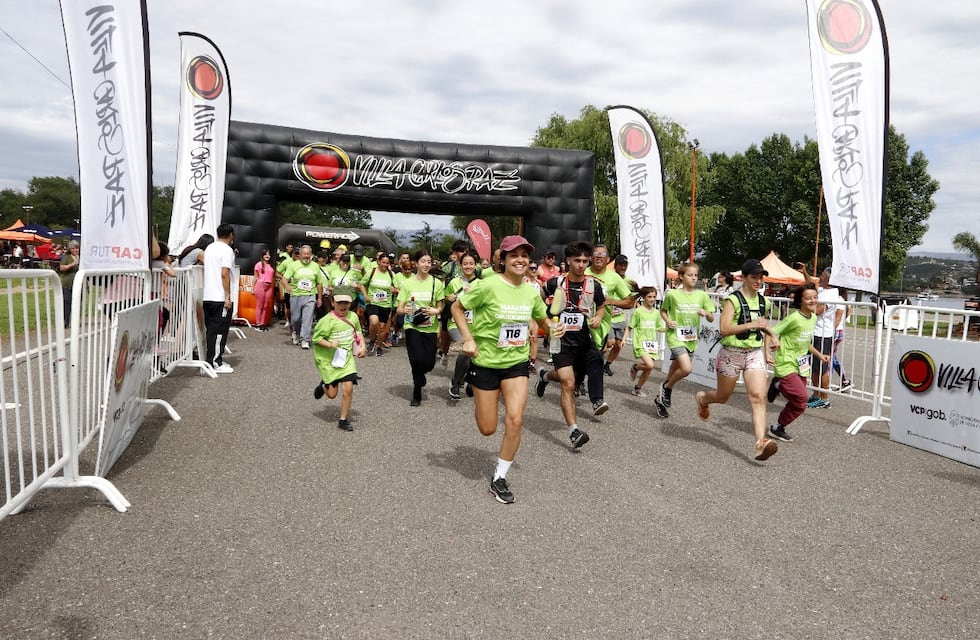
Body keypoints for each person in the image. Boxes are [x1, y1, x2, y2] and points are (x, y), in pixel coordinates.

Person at [451, 235, 555, 504]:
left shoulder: (532, 291)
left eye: (524, 254)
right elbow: (457, 308)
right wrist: (469, 339)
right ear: (503, 260)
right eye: (514, 255)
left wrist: (553, 327)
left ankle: (499, 478)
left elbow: (542, 317)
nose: (520, 259)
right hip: (486, 363)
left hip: (516, 363)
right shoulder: (488, 286)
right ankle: (470, 384)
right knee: (487, 428)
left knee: (515, 419)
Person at [694, 258, 777, 461]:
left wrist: (770, 342)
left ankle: (760, 443)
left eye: (761, 278)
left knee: (758, 397)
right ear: (744, 278)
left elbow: (763, 326)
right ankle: (703, 399)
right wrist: (751, 325)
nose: (758, 281)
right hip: (731, 353)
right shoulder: (733, 300)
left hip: (754, 354)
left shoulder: (764, 301)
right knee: (723, 397)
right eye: (754, 277)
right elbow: (724, 328)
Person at [536, 240, 608, 449]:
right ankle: (574, 430)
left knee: (595, 361)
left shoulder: (593, 285)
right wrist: (547, 318)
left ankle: (544, 376)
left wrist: (598, 317)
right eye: (577, 260)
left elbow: (601, 307)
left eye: (585, 261)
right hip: (561, 342)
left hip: (584, 340)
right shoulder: (554, 283)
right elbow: (538, 301)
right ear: (568, 260)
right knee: (568, 382)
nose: (581, 264)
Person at [764, 283, 831, 442]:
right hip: (786, 363)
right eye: (808, 298)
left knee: (798, 402)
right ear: (800, 301)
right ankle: (778, 385)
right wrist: (767, 352)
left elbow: (805, 342)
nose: (813, 301)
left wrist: (820, 355)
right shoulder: (793, 318)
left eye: (815, 297)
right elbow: (770, 332)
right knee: (802, 398)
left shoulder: (813, 317)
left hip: (801, 365)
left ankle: (778, 427)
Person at [656, 262, 715, 418]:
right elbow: (663, 311)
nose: (694, 278)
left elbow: (711, 317)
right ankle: (667, 388)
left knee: (674, 370)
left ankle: (660, 399)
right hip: (675, 336)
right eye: (690, 275)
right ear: (681, 276)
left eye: (696, 275)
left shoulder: (701, 295)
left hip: (690, 338)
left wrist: (705, 313)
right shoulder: (673, 295)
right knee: (686, 369)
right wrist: (668, 321)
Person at [311, 285, 366, 431]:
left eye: (346, 303)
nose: (343, 306)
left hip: (346, 359)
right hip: (329, 361)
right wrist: (329, 344)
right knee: (332, 395)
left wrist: (363, 347)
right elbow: (316, 339)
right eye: (340, 302)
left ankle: (343, 419)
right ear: (332, 302)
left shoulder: (353, 316)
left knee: (348, 388)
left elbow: (358, 332)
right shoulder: (326, 321)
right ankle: (324, 385)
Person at [396, 249, 445, 406]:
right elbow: (399, 309)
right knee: (416, 359)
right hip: (412, 325)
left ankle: (421, 376)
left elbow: (440, 306)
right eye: (423, 261)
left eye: (429, 262)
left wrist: (435, 311)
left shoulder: (436, 283)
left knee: (429, 363)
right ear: (416, 263)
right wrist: (405, 310)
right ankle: (416, 392)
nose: (426, 264)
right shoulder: (407, 283)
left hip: (430, 327)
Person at [446, 250, 480, 398]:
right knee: (464, 347)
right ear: (460, 265)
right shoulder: (454, 282)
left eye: (471, 263)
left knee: (473, 354)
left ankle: (469, 378)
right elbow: (444, 298)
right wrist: (449, 298)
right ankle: (455, 383)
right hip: (455, 324)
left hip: (475, 324)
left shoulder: (480, 284)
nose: (468, 266)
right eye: (465, 263)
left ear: (476, 265)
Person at [201, 224, 236, 373]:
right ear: (231, 235)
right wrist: (227, 296)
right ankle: (215, 362)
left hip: (208, 295)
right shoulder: (227, 250)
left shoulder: (209, 248)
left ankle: (212, 359)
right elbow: (224, 273)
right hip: (220, 297)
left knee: (211, 330)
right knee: (219, 330)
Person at [809, 267, 844, 409]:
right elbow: (811, 283)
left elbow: (818, 311)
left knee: (821, 369)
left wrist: (804, 303)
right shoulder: (823, 290)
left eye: (822, 276)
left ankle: (824, 398)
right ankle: (816, 394)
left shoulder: (831, 294)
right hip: (816, 333)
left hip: (823, 335)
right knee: (814, 368)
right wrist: (804, 272)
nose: (820, 278)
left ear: (829, 279)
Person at [624, 286, 666, 401]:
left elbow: (658, 327)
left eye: (654, 297)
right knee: (650, 365)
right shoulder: (638, 311)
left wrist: (669, 329)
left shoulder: (656, 313)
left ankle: (637, 388)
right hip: (640, 343)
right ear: (643, 298)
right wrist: (623, 339)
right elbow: (630, 327)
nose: (652, 299)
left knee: (649, 368)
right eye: (649, 297)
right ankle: (636, 367)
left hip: (651, 344)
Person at [282, 245, 327, 350]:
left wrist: (319, 298)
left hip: (310, 295)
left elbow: (319, 283)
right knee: (296, 319)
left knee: (307, 319)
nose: (306, 256)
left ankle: (305, 339)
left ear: (311, 255)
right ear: (300, 255)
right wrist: (287, 286)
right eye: (304, 254)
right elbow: (284, 279)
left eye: (308, 254)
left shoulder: (315, 266)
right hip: (296, 295)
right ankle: (296, 332)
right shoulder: (293, 265)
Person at [603, 254, 637, 375]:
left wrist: (637, 290)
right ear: (616, 266)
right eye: (621, 265)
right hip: (609, 318)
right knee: (609, 343)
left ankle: (606, 365)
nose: (623, 267)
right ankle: (595, 362)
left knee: (618, 345)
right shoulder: (609, 278)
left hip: (621, 318)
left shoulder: (629, 281)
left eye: (625, 265)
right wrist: (608, 306)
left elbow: (631, 299)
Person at [438, 240, 471, 361]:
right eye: (461, 251)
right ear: (455, 252)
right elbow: (439, 282)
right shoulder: (449, 266)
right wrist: (446, 297)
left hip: (467, 304)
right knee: (446, 330)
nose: (464, 253)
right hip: (451, 303)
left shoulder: (474, 267)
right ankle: (444, 351)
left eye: (466, 251)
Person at [359, 252, 397, 355]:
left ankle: (379, 345)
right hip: (372, 302)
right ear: (378, 262)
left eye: (387, 263)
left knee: (382, 328)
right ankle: (372, 340)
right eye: (383, 262)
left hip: (386, 304)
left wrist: (394, 290)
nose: (385, 265)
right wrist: (365, 296)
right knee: (374, 321)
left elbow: (398, 289)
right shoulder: (372, 272)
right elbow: (362, 284)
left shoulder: (391, 274)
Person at [58, 240, 80, 328]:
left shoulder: (81, 257)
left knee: (77, 303)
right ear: (70, 249)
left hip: (78, 284)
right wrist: (73, 264)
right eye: (74, 248)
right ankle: (65, 321)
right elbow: (62, 268)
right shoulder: (66, 257)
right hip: (67, 283)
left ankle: (75, 321)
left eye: (77, 248)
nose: (76, 250)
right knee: (67, 302)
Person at [253, 248, 275, 331]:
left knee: (265, 306)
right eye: (266, 254)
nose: (267, 256)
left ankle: (263, 324)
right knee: (260, 305)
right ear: (262, 256)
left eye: (269, 254)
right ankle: (258, 324)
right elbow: (255, 277)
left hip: (269, 286)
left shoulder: (270, 265)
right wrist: (253, 288)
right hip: (260, 285)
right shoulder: (258, 264)